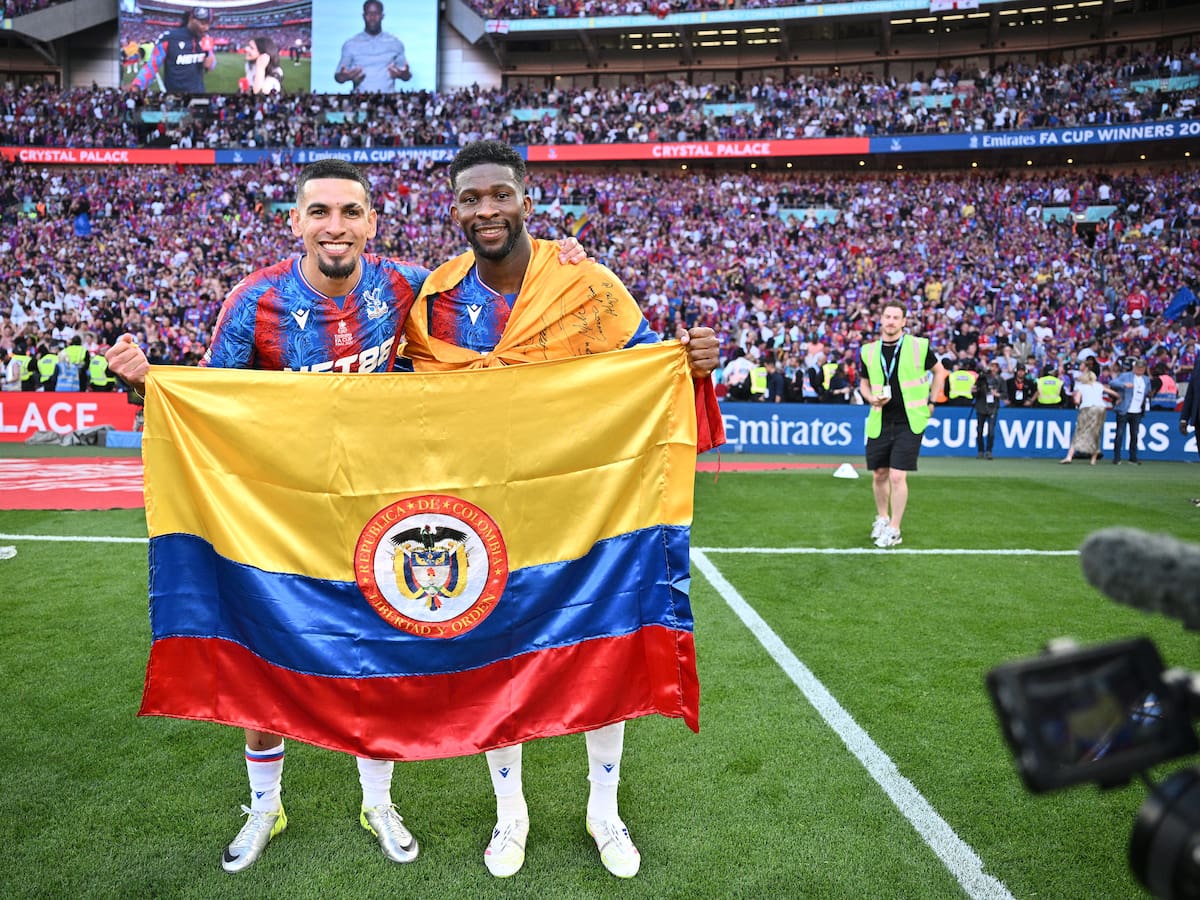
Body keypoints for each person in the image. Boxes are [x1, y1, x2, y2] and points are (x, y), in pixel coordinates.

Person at [105, 157, 589, 876]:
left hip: (377, 502)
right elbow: (207, 403)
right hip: (282, 510)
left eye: (351, 212)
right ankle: (265, 806)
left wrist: (562, 264)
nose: (336, 225)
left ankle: (378, 801)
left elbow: (495, 302)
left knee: (374, 657)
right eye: (321, 212)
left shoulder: (407, 286)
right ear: (295, 222)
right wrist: (145, 389)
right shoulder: (254, 302)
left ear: (372, 223)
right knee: (263, 659)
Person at [401, 140, 719, 880]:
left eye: (500, 195)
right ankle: (511, 815)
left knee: (599, 654)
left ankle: (602, 810)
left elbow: (645, 370)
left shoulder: (587, 285)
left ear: (526, 200)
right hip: (482, 508)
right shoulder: (434, 300)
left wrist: (689, 362)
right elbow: (397, 397)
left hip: (584, 510)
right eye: (471, 199)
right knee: (493, 661)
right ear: (453, 209)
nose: (487, 210)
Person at [858, 301, 948, 549]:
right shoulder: (868, 351)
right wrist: (869, 397)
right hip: (880, 418)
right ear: (881, 319)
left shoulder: (919, 345)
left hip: (910, 419)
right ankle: (882, 518)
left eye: (896, 317)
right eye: (887, 316)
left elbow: (940, 372)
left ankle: (895, 528)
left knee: (897, 475)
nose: (891, 321)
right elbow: (864, 382)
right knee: (879, 474)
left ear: (904, 321)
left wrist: (932, 401)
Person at [128, 6, 216, 94]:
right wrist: (137, 85)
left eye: (208, 24)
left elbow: (211, 64)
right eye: (202, 23)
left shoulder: (206, 39)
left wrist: (211, 62)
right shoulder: (169, 38)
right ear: (191, 19)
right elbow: (152, 66)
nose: (206, 28)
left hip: (199, 93)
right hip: (174, 95)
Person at [334, 1, 411, 94]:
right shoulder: (351, 44)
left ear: (382, 16)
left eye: (376, 13)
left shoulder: (395, 43)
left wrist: (403, 74)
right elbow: (339, 77)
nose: (372, 17)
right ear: (363, 16)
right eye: (369, 13)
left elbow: (406, 76)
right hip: (360, 101)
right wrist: (346, 77)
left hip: (387, 101)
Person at [1060, 369, 1119, 465]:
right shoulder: (1099, 386)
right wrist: (1119, 399)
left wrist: (1077, 401)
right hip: (1100, 408)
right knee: (1096, 433)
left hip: (1087, 409)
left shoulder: (1081, 387)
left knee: (1079, 431)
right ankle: (1093, 459)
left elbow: (1077, 401)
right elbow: (1114, 393)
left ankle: (1069, 456)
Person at [1110, 357, 1154, 465]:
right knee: (1119, 434)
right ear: (1134, 368)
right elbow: (1112, 383)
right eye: (1138, 367)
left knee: (1134, 435)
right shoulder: (1126, 376)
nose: (1140, 370)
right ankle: (1117, 457)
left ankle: (1133, 458)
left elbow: (1147, 391)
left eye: (1142, 368)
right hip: (1124, 409)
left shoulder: (1146, 379)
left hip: (1137, 410)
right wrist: (1123, 385)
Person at [972, 360, 1004, 459]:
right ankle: (980, 451)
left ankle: (989, 451)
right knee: (979, 430)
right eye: (992, 366)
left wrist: (997, 394)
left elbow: (1005, 394)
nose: (993, 369)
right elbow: (975, 392)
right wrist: (974, 390)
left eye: (995, 367)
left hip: (992, 407)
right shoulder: (982, 378)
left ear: (998, 368)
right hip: (981, 405)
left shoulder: (1000, 380)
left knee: (991, 431)